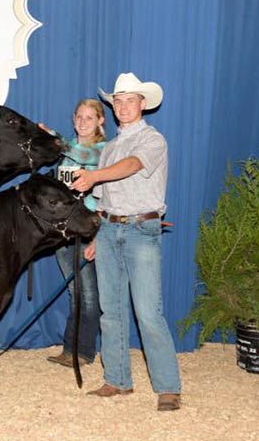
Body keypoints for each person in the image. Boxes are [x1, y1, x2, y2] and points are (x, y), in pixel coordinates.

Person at [70, 72, 182, 412]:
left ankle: (168, 387)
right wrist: (94, 236)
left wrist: (93, 175)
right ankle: (117, 380)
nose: (122, 106)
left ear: (143, 104)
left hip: (141, 230)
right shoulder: (111, 148)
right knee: (111, 310)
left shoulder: (152, 140)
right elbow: (102, 200)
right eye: (117, 101)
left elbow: (132, 167)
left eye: (129, 100)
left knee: (148, 312)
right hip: (109, 228)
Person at [45, 99, 106, 368]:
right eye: (79, 117)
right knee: (74, 292)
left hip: (87, 229)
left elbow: (84, 157)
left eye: (89, 118)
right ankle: (70, 350)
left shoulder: (103, 151)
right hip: (65, 232)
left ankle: (84, 351)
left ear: (100, 122)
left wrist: (55, 139)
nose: (82, 122)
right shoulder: (66, 154)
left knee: (89, 295)